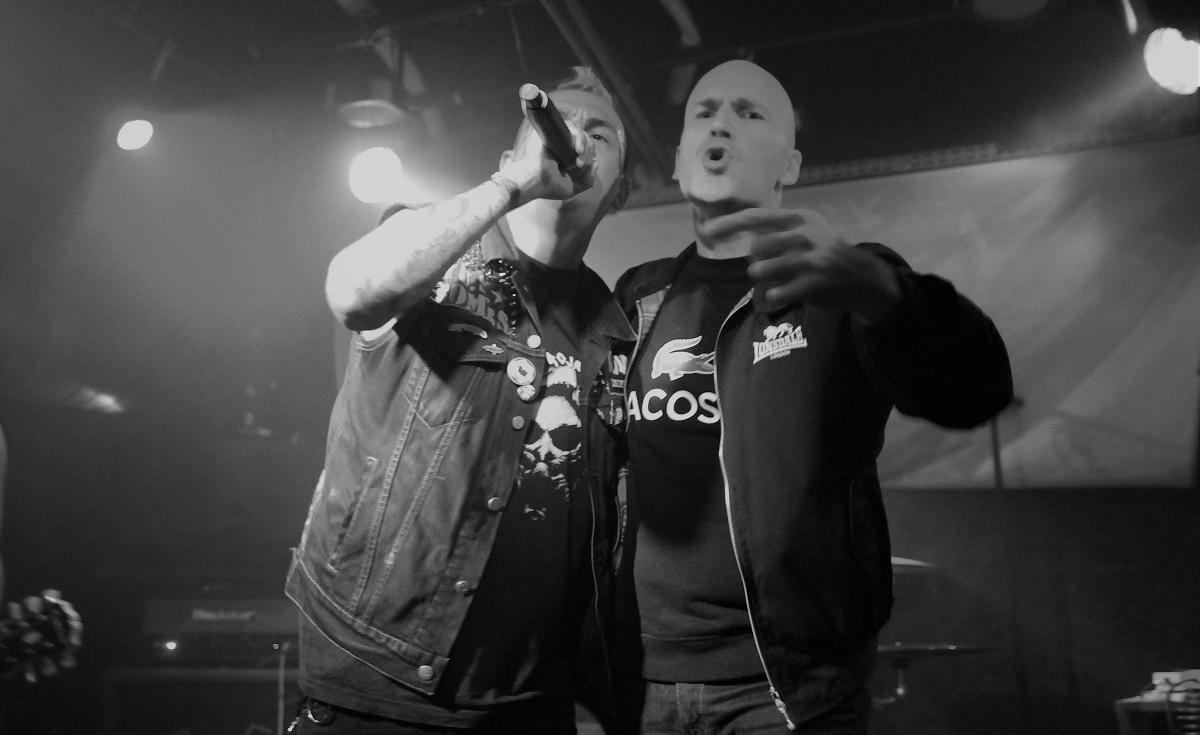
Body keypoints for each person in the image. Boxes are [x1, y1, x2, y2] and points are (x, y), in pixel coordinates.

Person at [612, 60, 1013, 734]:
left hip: (786, 691)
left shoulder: (843, 282)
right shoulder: (638, 295)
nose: (721, 124)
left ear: (790, 165)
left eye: (750, 113)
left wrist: (883, 294)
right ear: (678, 161)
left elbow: (976, 389)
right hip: (639, 683)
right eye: (704, 112)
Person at [286, 67, 635, 734]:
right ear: (511, 156)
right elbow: (352, 291)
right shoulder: (434, 255)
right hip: (381, 680)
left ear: (618, 190)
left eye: (601, 134)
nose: (576, 139)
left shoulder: (614, 333)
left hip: (530, 700)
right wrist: (512, 187)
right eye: (560, 124)